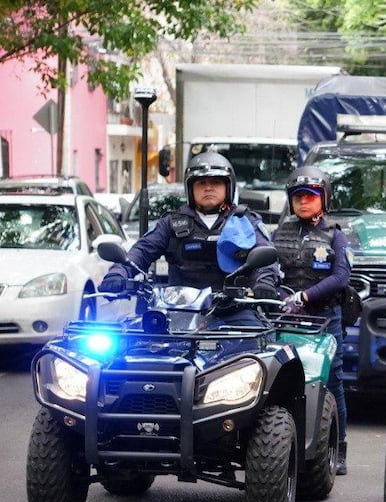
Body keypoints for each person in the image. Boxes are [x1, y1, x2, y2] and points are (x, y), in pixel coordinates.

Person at [99, 151, 279, 327]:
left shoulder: (246, 221)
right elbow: (141, 251)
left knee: (258, 347)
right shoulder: (171, 223)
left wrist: (265, 282)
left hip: (234, 311)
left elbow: (265, 257)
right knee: (141, 344)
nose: (208, 187)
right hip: (180, 312)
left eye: (215, 182)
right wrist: (119, 273)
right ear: (190, 188)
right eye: (201, 183)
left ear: (228, 186)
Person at [272, 166, 353, 476]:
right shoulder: (280, 231)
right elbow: (268, 268)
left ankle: (339, 445)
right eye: (298, 197)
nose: (304, 202)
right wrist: (279, 294)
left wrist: (305, 297)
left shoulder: (336, 234)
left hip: (325, 317)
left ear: (323, 199)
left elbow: (341, 277)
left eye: (310, 196)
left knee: (333, 381)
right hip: (285, 317)